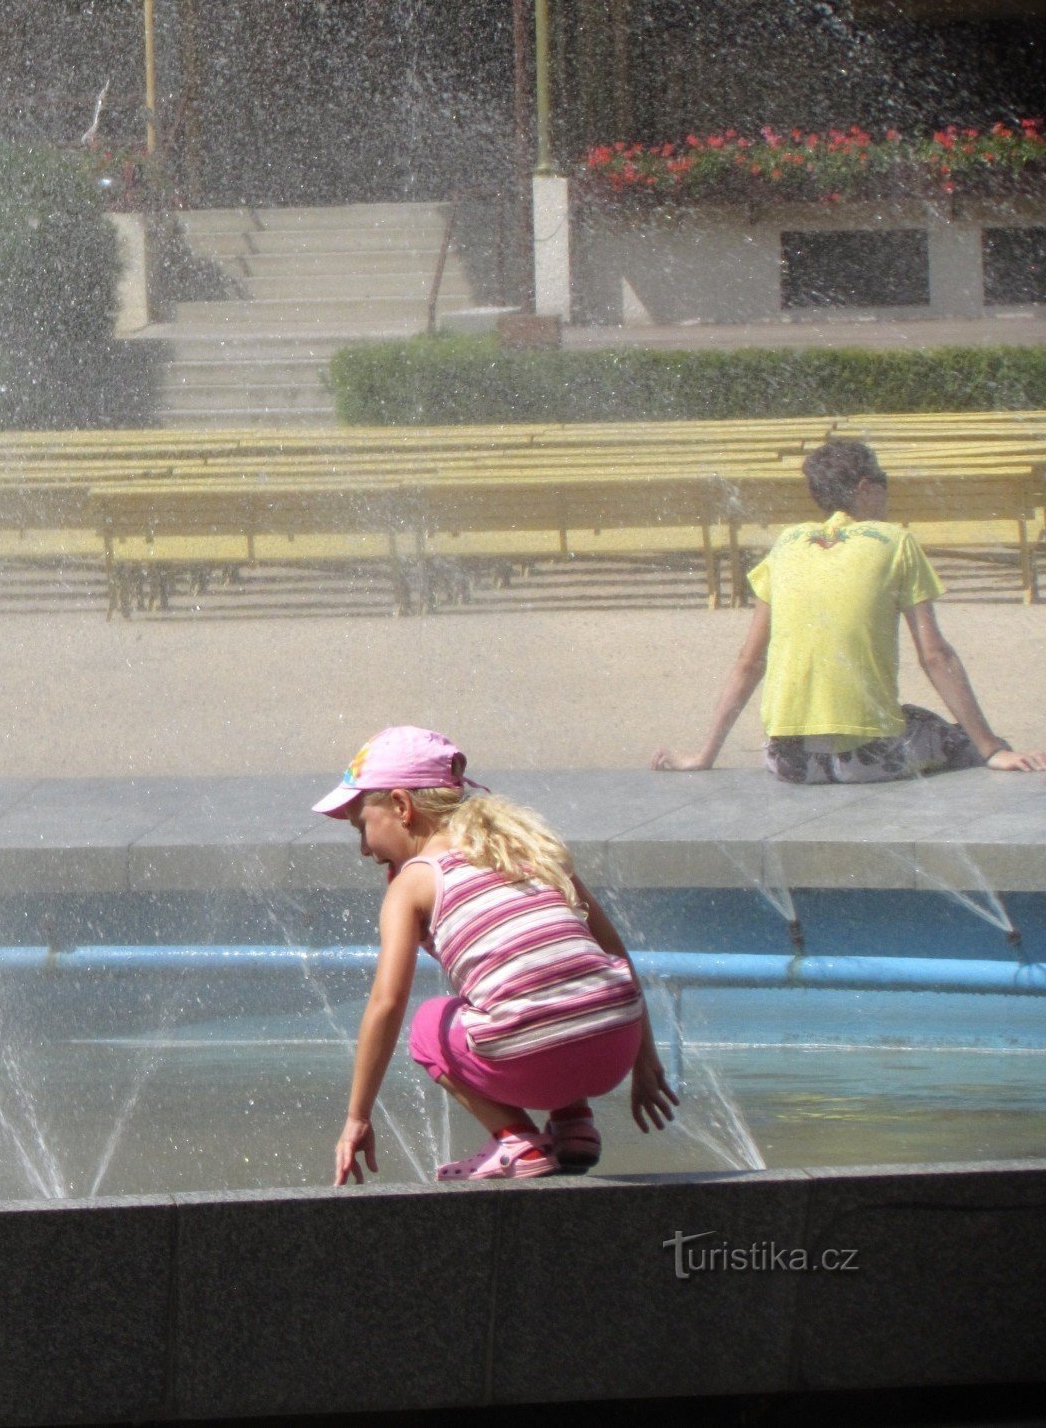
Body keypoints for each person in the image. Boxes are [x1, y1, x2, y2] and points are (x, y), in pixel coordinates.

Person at [322, 727, 676, 1184]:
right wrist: (644, 1057)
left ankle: (515, 1141)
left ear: (402, 807)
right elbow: (611, 952)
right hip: (616, 1047)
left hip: (531, 1056)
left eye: (362, 827)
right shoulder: (528, 849)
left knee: (431, 1024)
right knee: (544, 977)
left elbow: (386, 1003)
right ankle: (573, 1127)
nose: (365, 849)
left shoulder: (414, 883)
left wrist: (358, 1116)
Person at [653, 438, 1045, 782]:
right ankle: (996, 753)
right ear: (864, 489)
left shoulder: (787, 543)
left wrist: (703, 756)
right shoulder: (896, 542)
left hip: (790, 763)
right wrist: (992, 749)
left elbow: (749, 662)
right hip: (870, 761)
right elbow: (936, 657)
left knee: (895, 716)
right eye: (884, 487)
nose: (888, 498)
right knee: (956, 736)